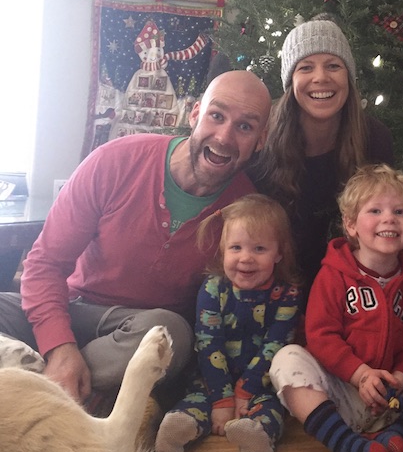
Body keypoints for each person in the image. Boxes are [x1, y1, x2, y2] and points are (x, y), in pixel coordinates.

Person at [0, 69, 272, 410]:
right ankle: (69, 386)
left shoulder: (245, 211)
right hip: (74, 308)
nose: (224, 137)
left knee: (170, 334)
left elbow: (230, 310)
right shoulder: (115, 160)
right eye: (216, 116)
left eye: (245, 127)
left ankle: (38, 385)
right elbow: (45, 265)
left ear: (261, 140)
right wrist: (60, 347)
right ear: (194, 114)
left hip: (143, 334)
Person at [270, 164, 403, 452]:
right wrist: (360, 375)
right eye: (375, 210)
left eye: (400, 212)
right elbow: (321, 336)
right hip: (341, 393)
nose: (389, 218)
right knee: (287, 360)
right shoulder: (333, 276)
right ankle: (348, 446)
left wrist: (399, 379)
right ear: (351, 225)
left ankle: (397, 437)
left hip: (394, 398)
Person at [250, 14, 394, 292]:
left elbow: (381, 226)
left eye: (333, 66)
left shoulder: (375, 138)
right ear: (290, 80)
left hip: (349, 287)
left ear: (348, 76)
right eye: (305, 67)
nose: (321, 78)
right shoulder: (263, 139)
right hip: (271, 288)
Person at [154, 193, 302, 452]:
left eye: (259, 249)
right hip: (211, 380)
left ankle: (257, 437)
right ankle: (177, 429)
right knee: (196, 399)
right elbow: (208, 343)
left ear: (279, 253)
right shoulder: (213, 288)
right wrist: (222, 399)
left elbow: (276, 345)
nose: (246, 258)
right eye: (236, 248)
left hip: (261, 383)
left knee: (272, 408)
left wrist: (246, 391)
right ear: (223, 250)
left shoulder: (287, 295)